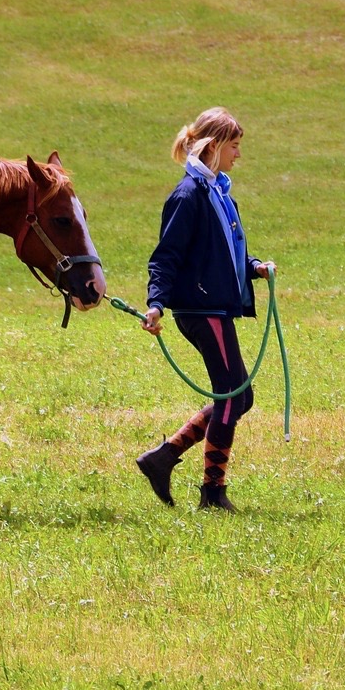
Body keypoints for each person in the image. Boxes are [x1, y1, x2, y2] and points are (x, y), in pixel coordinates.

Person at [135, 107, 275, 512]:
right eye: (234, 146)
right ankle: (212, 494)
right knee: (235, 396)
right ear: (214, 146)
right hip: (200, 311)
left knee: (239, 397)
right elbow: (166, 256)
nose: (238, 154)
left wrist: (254, 268)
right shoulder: (188, 195)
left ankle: (162, 458)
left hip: (215, 307)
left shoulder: (216, 192)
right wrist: (156, 303)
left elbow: (221, 255)